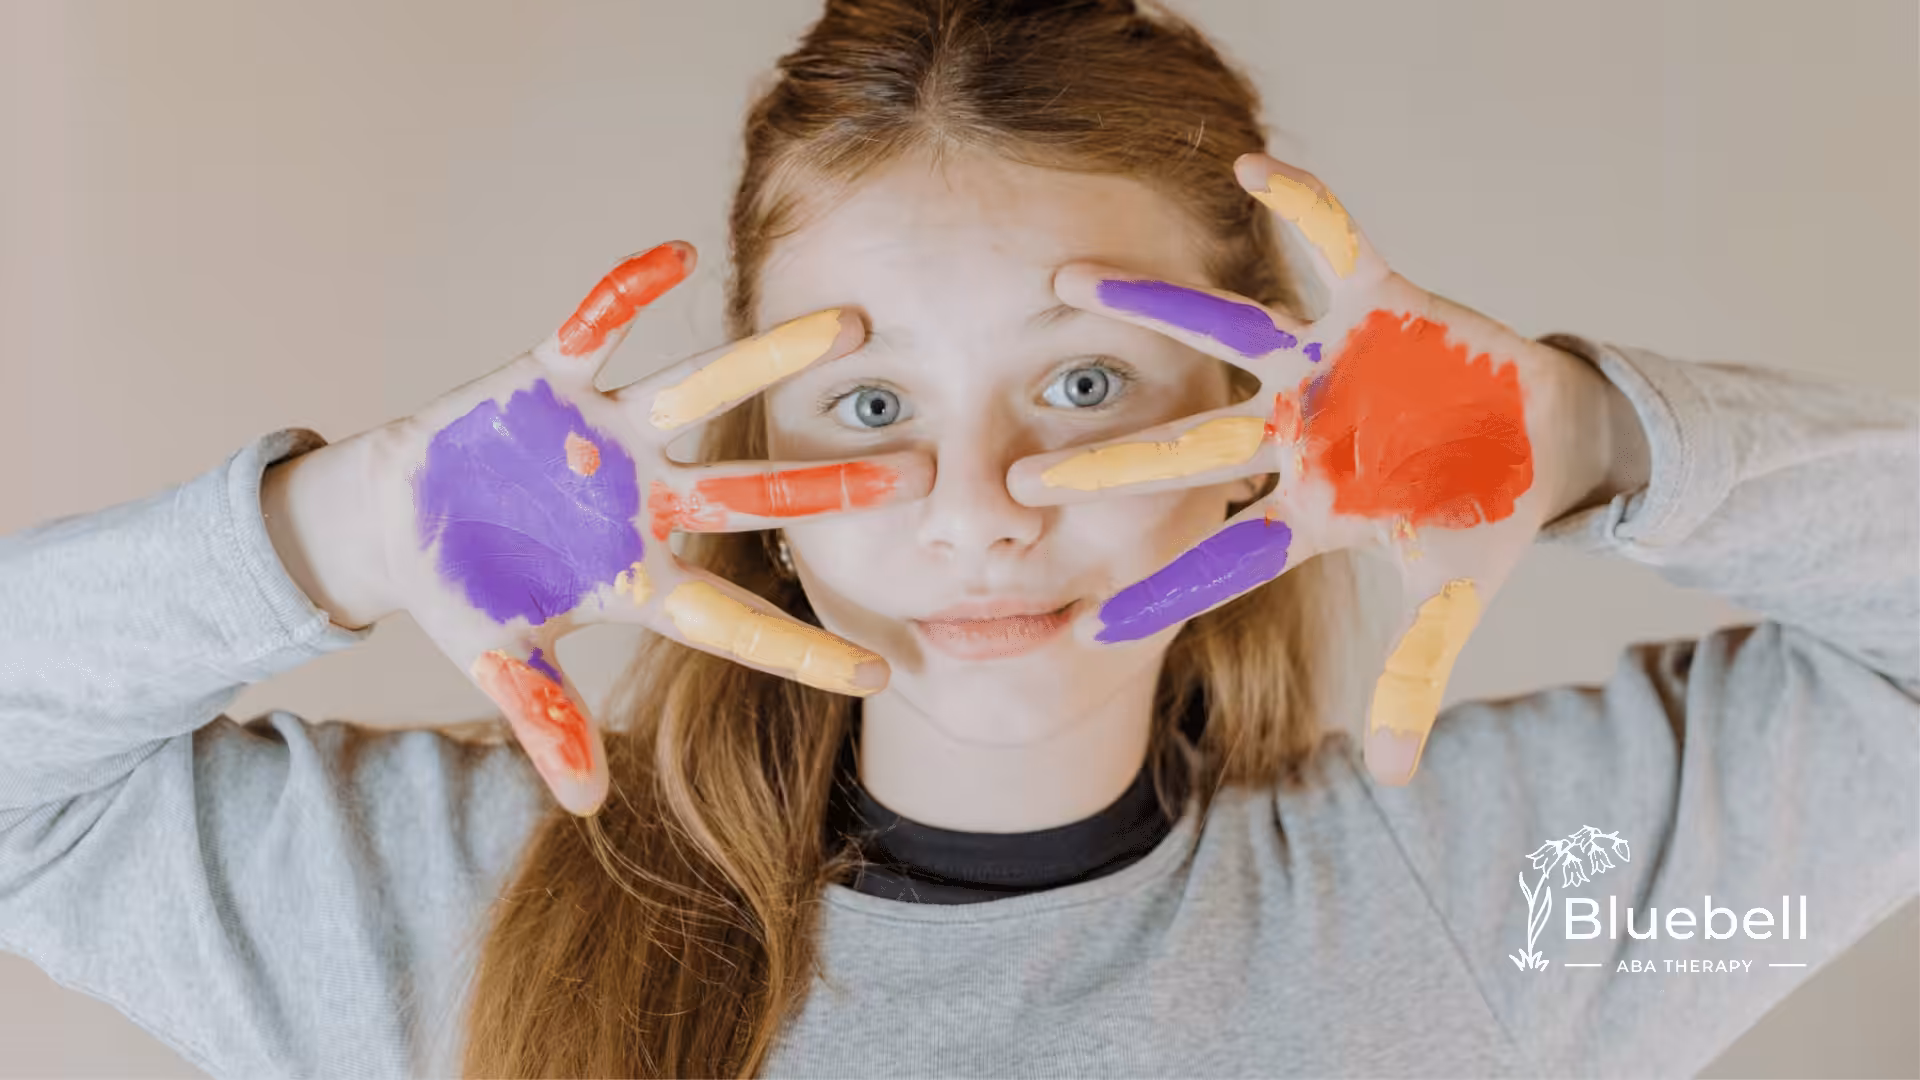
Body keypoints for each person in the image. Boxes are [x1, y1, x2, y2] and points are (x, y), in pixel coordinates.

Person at [1, 0, 1914, 1076]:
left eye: (1085, 387)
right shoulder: (435, 916)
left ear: (1261, 436)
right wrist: (333, 525)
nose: (978, 505)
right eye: (869, 404)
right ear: (740, 445)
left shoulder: (1508, 911)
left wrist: (1584, 438)